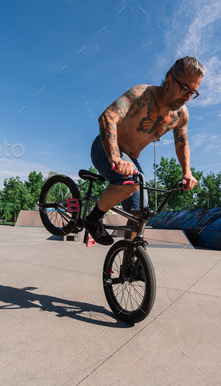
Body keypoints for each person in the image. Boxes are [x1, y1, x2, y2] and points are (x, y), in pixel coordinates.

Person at [84, 56, 204, 245]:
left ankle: (131, 259)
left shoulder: (181, 115)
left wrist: (187, 172)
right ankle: (93, 219)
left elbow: (181, 143)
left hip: (130, 159)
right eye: (185, 89)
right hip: (106, 147)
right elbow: (108, 117)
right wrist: (115, 156)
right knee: (132, 182)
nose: (187, 97)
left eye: (193, 93)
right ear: (170, 80)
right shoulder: (142, 94)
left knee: (140, 213)